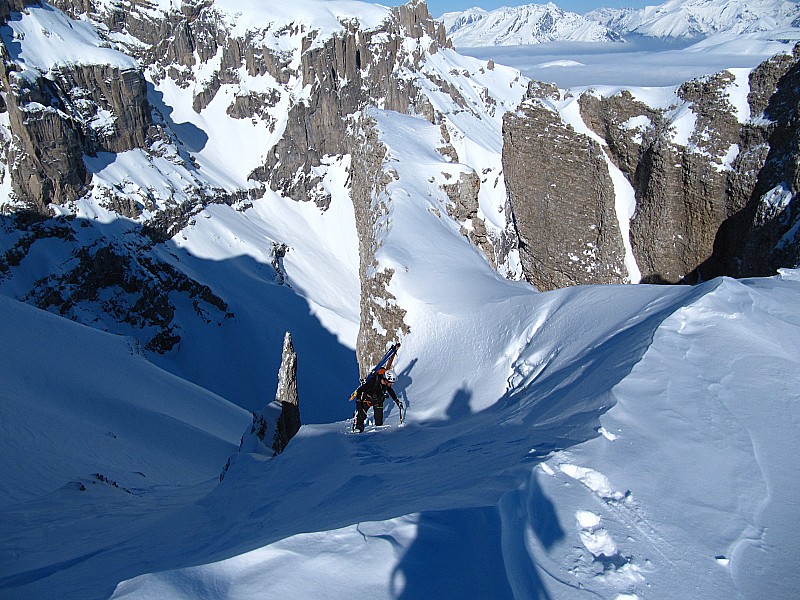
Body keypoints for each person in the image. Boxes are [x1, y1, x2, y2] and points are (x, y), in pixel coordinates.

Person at [354, 368, 403, 432]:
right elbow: (360, 390)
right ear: (386, 379)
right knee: (362, 413)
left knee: (379, 422)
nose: (392, 384)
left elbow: (390, 391)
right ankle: (359, 427)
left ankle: (377, 433)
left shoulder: (386, 384)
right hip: (368, 399)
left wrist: (397, 401)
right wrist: (359, 401)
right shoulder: (374, 381)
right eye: (391, 382)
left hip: (378, 400)